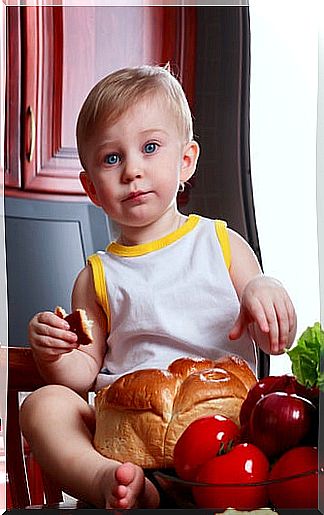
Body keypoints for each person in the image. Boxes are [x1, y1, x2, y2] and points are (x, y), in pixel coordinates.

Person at [20, 64, 297, 510]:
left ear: (185, 160)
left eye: (150, 148)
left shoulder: (222, 244)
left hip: (222, 441)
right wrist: (54, 353)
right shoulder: (96, 276)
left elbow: (273, 339)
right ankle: (109, 481)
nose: (133, 170)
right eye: (112, 158)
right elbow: (83, 373)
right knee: (43, 403)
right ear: (91, 188)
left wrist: (266, 293)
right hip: (127, 441)